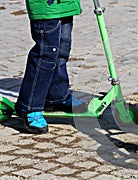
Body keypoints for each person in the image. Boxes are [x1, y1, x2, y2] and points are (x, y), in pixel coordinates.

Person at [15, 0, 87, 134]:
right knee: (46, 55)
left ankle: (56, 97)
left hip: (66, 5)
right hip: (46, 7)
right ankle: (29, 106)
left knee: (61, 52)